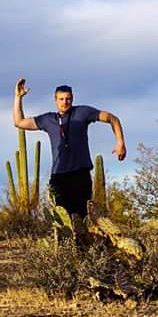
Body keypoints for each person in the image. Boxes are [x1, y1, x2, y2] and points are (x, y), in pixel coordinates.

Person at [13, 80, 126, 218]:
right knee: (61, 220)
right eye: (61, 99)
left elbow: (112, 118)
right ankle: (65, 241)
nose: (65, 102)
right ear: (55, 100)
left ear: (72, 99)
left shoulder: (83, 112)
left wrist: (120, 142)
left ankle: (83, 240)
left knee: (82, 218)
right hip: (59, 176)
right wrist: (18, 97)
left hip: (80, 174)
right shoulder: (48, 119)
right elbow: (19, 122)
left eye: (68, 99)